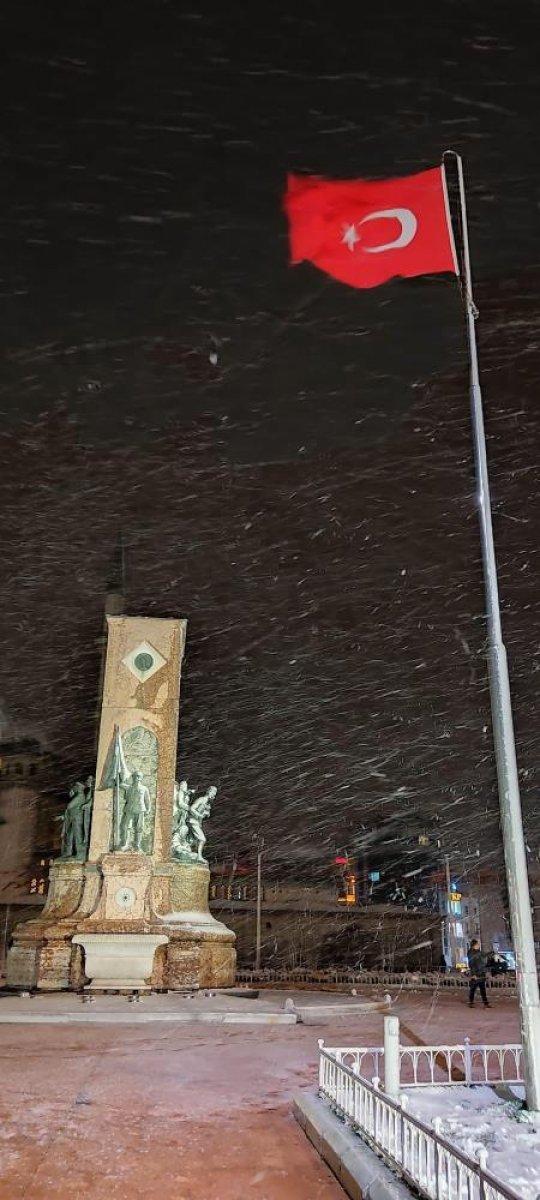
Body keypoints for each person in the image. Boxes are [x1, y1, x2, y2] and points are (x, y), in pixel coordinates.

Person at [467, 938, 490, 1008]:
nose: (479, 945)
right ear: (474, 945)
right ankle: (471, 1002)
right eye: (477, 944)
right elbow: (471, 964)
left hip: (481, 973)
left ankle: (486, 1003)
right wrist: (473, 974)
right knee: (473, 989)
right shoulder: (471, 953)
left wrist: (492, 953)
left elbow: (484, 955)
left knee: (483, 989)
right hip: (476, 973)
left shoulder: (479, 952)